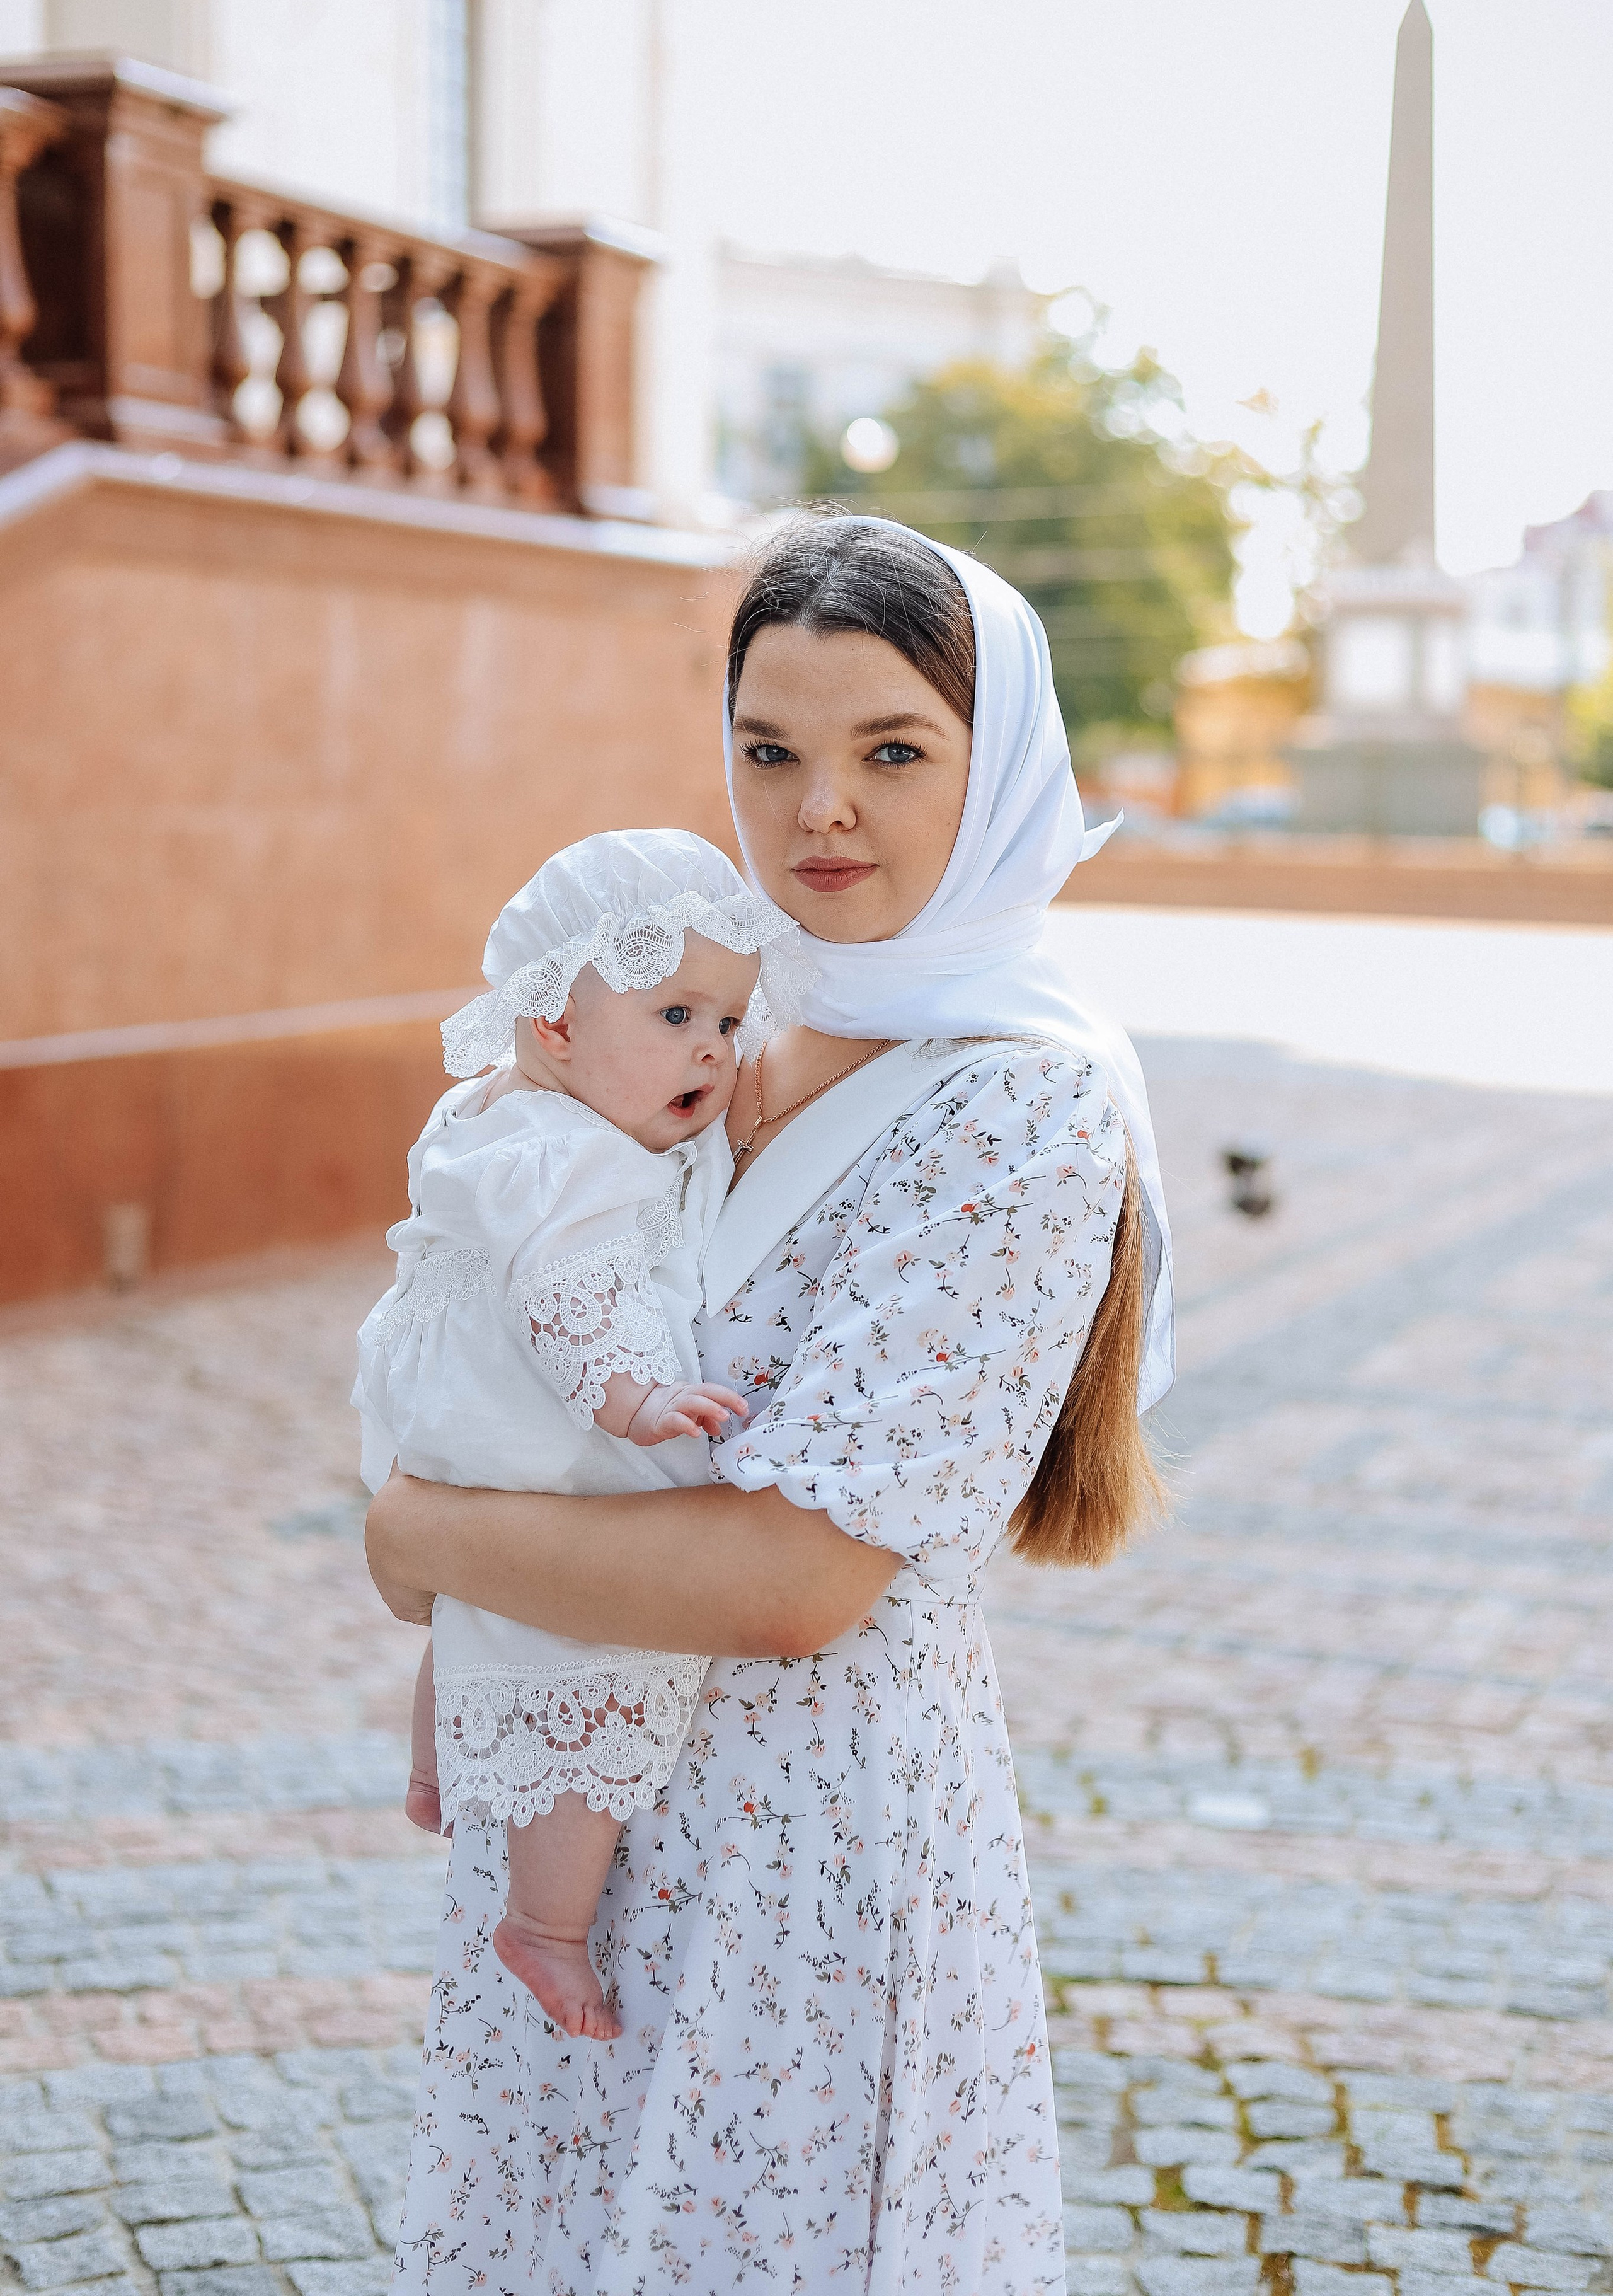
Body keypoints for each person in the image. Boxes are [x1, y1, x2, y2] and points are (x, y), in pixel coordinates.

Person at [365, 516, 1174, 2294]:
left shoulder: (1023, 1108)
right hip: (579, 1804)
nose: (820, 812)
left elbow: (800, 1581)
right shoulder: (704, 1030)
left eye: (893, 753)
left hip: (802, 1862)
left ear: (998, 764)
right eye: (769, 750)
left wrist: (420, 1533)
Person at [354, 831, 801, 2040]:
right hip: (540, 1415)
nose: (712, 1049)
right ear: (554, 1027)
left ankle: (434, 1772)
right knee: (594, 1653)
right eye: (676, 1015)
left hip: (457, 1413)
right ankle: (546, 1926)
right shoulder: (567, 1157)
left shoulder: (507, 1114)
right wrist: (636, 1403)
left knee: (483, 1595)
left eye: (731, 1020)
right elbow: (567, 1290)